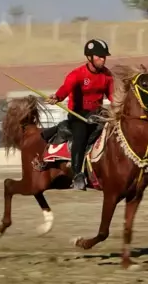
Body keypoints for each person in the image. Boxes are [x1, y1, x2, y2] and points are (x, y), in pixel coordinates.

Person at [45, 39, 114, 191]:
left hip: (97, 114)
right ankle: (77, 175)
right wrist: (57, 97)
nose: (103, 59)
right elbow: (65, 88)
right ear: (89, 57)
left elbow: (112, 96)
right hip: (78, 115)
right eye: (99, 56)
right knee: (81, 135)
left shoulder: (107, 76)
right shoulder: (77, 74)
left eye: (104, 57)